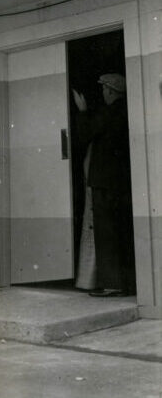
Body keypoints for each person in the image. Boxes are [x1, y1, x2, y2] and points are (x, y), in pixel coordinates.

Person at [72, 73, 135, 297]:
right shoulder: (126, 111)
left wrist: (82, 110)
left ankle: (112, 285)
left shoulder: (109, 113)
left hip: (104, 182)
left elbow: (85, 134)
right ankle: (126, 284)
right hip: (120, 182)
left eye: (104, 90)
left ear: (110, 91)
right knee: (121, 231)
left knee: (106, 234)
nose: (102, 93)